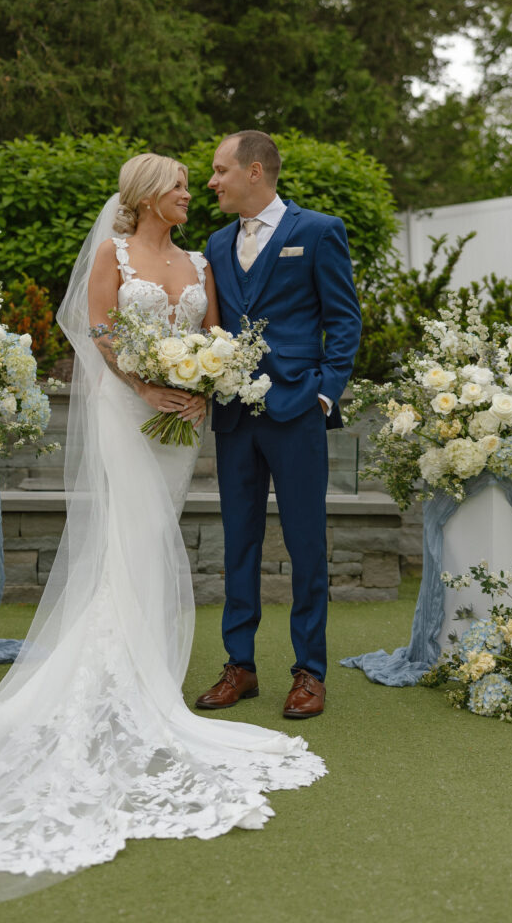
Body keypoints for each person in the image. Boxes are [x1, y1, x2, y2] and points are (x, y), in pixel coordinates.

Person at [0, 153, 326, 919]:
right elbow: (97, 335)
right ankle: (123, 679)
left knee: (155, 537)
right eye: (183, 186)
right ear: (150, 195)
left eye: (199, 180)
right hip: (130, 417)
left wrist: (202, 381)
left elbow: (218, 333)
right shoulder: (114, 255)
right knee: (132, 532)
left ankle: (150, 670)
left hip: (182, 426)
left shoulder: (199, 258)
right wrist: (145, 383)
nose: (194, 193)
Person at [196, 131, 362, 720]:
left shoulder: (317, 231)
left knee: (305, 545)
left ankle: (308, 672)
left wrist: (323, 394)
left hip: (297, 412)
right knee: (237, 542)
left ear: (255, 171)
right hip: (235, 417)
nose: (211, 182)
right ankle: (239, 666)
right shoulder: (216, 243)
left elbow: (344, 321)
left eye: (220, 171)